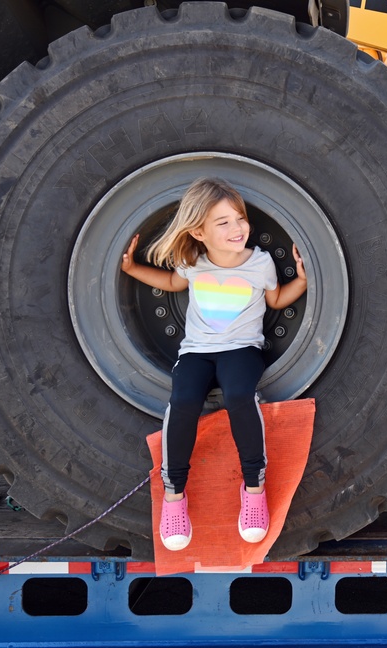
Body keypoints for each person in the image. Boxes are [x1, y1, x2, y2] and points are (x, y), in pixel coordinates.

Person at [121, 177, 307, 551]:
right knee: (184, 401)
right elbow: (172, 284)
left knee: (240, 395)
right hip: (196, 352)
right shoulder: (193, 263)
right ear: (199, 232)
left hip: (242, 349)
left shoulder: (260, 263)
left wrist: (302, 280)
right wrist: (132, 270)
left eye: (239, 218)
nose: (237, 229)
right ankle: (174, 496)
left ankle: (253, 488)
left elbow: (275, 301)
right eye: (223, 223)